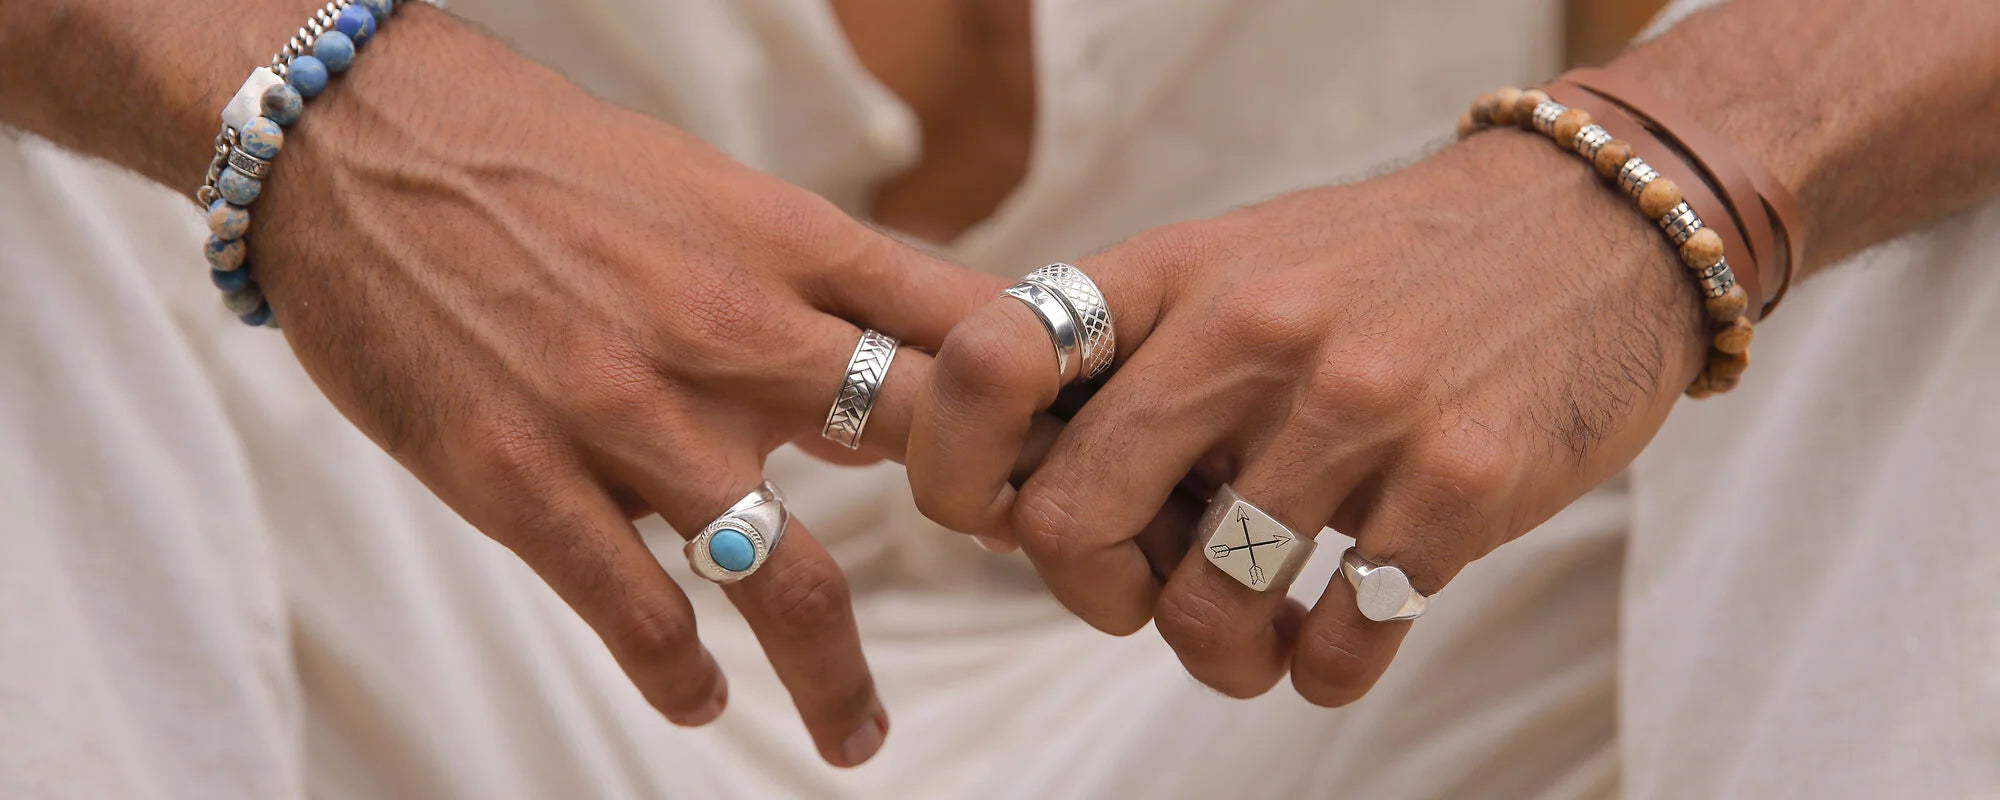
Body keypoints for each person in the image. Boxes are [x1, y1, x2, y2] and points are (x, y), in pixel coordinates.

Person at [0, 1, 1993, 799]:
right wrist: (318, 105)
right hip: (342, 620)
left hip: (1358, 680)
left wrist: (1662, 173)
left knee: (1902, 176)